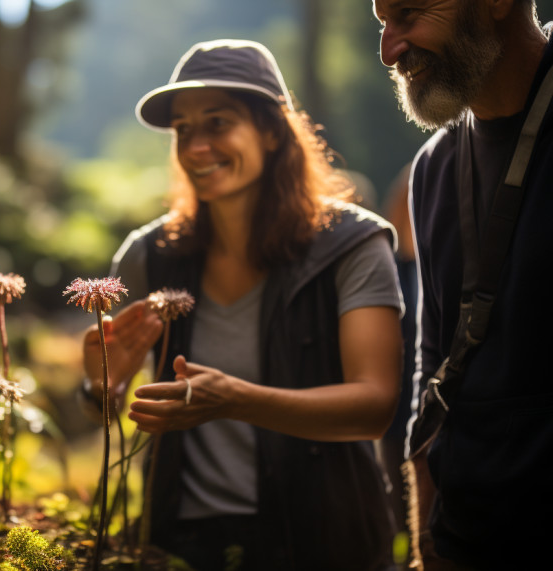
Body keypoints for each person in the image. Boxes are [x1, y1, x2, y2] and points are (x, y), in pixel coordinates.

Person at [80, 39, 404, 570]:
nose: (196, 147)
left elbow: (374, 407)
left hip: (325, 543)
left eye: (217, 122)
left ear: (273, 132)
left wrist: (236, 399)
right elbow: (107, 412)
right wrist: (100, 384)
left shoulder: (352, 244)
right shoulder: (148, 255)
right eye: (183, 130)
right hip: (183, 546)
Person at [373, 0, 553, 568]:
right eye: (382, 25)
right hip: (465, 544)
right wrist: (427, 540)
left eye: (408, 13)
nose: (389, 50)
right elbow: (433, 366)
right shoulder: (432, 167)